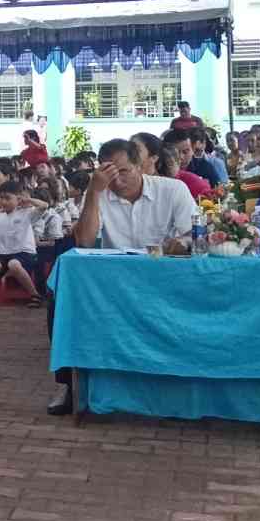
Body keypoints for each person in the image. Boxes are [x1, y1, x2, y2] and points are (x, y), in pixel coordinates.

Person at [51, 139, 198, 416]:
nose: (117, 180)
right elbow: (84, 241)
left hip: (165, 278)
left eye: (124, 171)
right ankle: (69, 385)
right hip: (116, 283)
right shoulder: (99, 192)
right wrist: (94, 192)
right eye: (109, 173)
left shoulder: (172, 189)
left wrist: (182, 242)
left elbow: (193, 232)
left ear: (141, 166)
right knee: (62, 296)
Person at [0, 180, 45, 306]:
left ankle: (35, 295)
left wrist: (28, 200)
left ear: (18, 198)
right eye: (2, 198)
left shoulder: (27, 212)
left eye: (8, 198)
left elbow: (44, 206)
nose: (4, 201)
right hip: (3, 255)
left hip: (25, 254)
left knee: (14, 264)